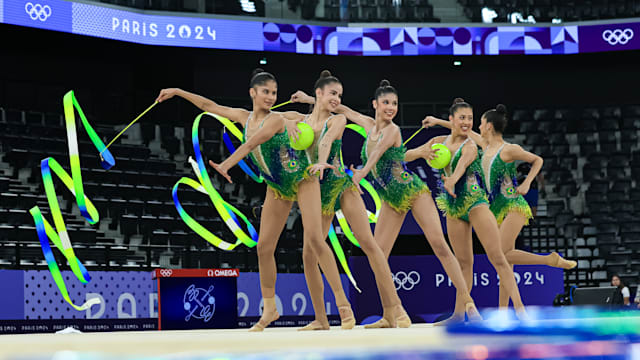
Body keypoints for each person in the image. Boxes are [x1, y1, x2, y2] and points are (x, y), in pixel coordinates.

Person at [157, 69, 354, 331]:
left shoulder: (273, 120)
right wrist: (178, 92)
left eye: (274, 92)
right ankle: (270, 308)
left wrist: (227, 164)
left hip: (301, 177)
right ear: (253, 93)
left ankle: (343, 307)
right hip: (277, 186)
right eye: (266, 92)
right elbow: (209, 106)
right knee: (264, 247)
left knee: (316, 239)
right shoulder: (242, 117)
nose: (271, 97)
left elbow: (252, 145)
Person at [316, 80, 481, 327]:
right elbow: (346, 111)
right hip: (391, 200)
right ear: (375, 104)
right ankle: (390, 314)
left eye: (394, 103)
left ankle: (468, 303)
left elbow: (377, 153)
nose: (391, 107)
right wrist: (313, 101)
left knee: (438, 243)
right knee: (378, 256)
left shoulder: (392, 130)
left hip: (412, 191)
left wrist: (361, 173)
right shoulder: (369, 125)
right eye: (386, 103)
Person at [422, 104, 576, 309]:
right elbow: (459, 128)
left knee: (500, 256)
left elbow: (537, 160)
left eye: (481, 123)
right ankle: (504, 311)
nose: (476, 125)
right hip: (495, 209)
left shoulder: (509, 149)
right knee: (504, 262)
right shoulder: (482, 145)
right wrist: (436, 121)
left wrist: (527, 182)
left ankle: (549, 261)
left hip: (513, 204)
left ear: (489, 126)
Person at [289, 71, 410, 330]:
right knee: (309, 255)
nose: (337, 99)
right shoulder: (301, 120)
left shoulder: (339, 119)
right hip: (315, 190)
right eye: (333, 93)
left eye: (340, 95)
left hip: (340, 184)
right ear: (319, 92)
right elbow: (271, 120)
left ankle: (396, 309)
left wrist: (322, 161)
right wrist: (305, 102)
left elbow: (327, 141)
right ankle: (322, 319)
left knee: (369, 244)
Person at [413, 98, 528, 323]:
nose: (466, 123)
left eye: (470, 119)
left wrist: (452, 179)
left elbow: (464, 162)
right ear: (452, 119)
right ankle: (457, 315)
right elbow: (413, 153)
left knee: (497, 257)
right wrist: (421, 149)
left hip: (476, 202)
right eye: (462, 118)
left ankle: (522, 312)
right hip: (455, 207)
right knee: (464, 263)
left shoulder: (473, 142)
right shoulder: (439, 142)